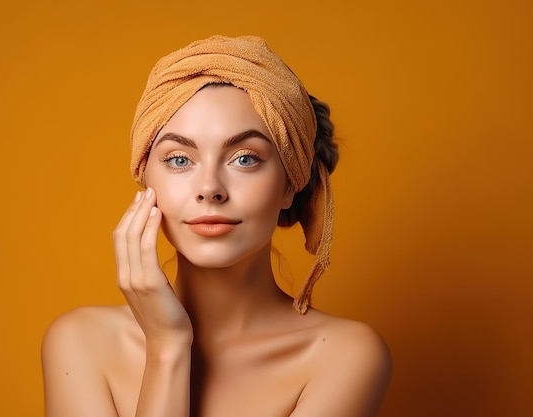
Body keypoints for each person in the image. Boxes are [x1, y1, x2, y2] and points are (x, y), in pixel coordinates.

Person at [41, 35, 391, 417]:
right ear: (145, 179)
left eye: (244, 159)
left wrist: (167, 349)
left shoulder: (345, 356)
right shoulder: (79, 343)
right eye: (178, 160)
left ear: (291, 183)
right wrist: (168, 348)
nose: (209, 188)